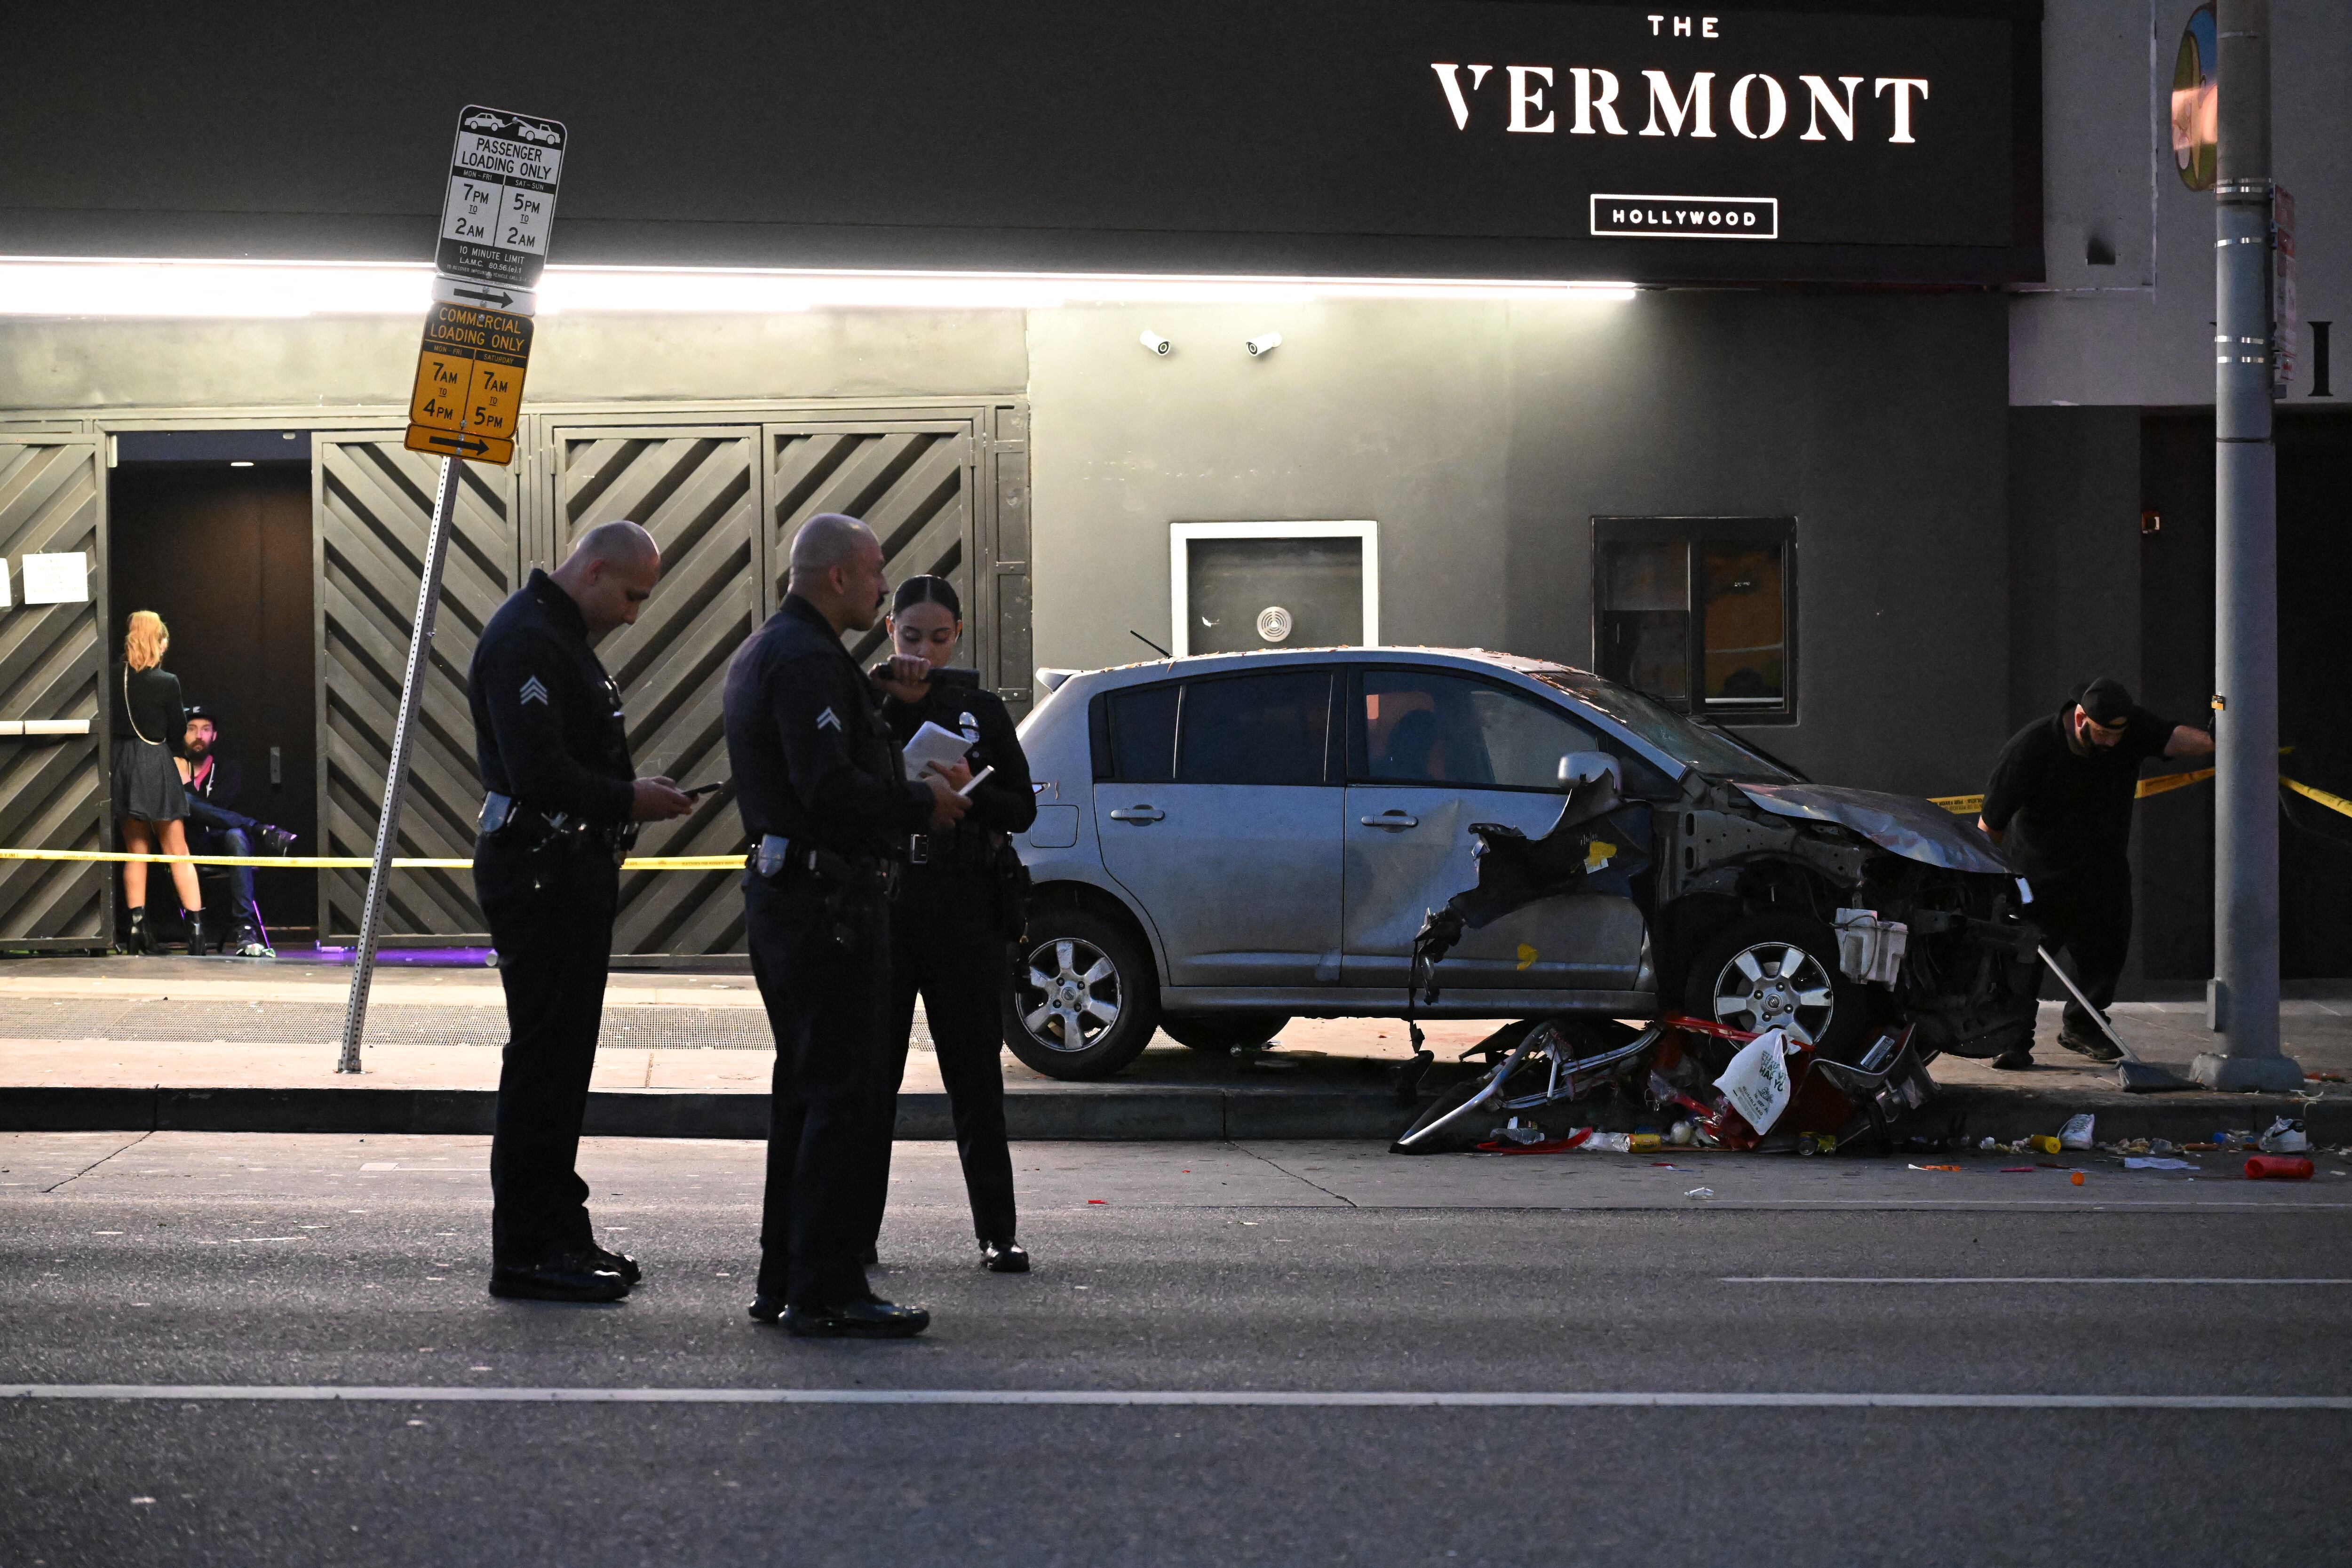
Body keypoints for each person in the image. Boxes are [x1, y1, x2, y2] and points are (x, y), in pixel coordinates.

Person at [721, 512, 968, 1337]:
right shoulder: (805, 660)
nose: (881, 587)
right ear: (837, 577)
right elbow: (826, 786)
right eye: (875, 574)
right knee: (840, 1095)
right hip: (825, 905)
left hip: (795, 897)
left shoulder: (780, 650)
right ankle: (826, 1286)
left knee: (804, 1089)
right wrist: (921, 801)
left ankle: (784, 1273)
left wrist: (869, 693)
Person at [468, 521, 695, 1303]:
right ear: (595, 570)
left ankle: (561, 1229)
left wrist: (625, 796)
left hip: (564, 868)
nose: (635, 613)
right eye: (632, 594)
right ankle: (528, 1249)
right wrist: (629, 796)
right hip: (540, 869)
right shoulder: (529, 637)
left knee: (564, 1067)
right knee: (544, 1062)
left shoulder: (556, 634)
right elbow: (537, 767)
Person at [871, 575, 1038, 1273]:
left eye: (940, 639)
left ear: (958, 635)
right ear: (890, 631)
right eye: (913, 638)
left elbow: (1021, 805)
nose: (926, 653)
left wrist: (971, 786)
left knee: (974, 1076)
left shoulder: (978, 708)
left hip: (965, 900)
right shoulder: (870, 701)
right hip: (890, 899)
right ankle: (855, 1231)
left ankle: (997, 1230)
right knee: (872, 1079)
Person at [1978, 677, 2214, 1069]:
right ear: (2081, 717)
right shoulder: (2033, 747)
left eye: (2117, 736)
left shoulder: (2128, 729)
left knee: (2105, 953)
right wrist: (1989, 879)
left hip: (2102, 871)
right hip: (2038, 875)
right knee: (2023, 963)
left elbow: (2170, 737)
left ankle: (2082, 1027)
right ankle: (2013, 1039)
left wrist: (2216, 741)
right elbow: (1992, 820)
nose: (2110, 743)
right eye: (2102, 734)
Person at [111, 611, 208, 955]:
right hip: (154, 760)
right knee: (177, 850)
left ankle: (138, 931)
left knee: (136, 851)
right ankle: (196, 933)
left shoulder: (114, 676)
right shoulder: (167, 681)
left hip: (123, 764)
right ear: (157, 640)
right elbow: (177, 732)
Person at [180, 705, 298, 958]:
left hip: (223, 841)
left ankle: (245, 930)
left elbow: (216, 809)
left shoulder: (228, 769)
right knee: (186, 803)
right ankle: (262, 831)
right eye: (192, 729)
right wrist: (186, 793)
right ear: (183, 735)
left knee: (235, 835)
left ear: (214, 736)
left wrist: (188, 796)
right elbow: (185, 811)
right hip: (189, 844)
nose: (199, 736)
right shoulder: (173, 767)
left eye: (206, 730)